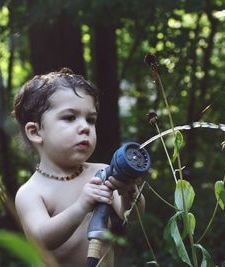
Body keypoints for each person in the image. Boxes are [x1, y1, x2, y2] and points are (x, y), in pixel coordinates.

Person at [13, 68, 145, 267]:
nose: (85, 127)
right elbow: (40, 239)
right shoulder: (31, 193)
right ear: (35, 131)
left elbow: (133, 217)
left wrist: (128, 188)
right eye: (69, 117)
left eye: (90, 120)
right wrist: (81, 206)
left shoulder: (101, 172)